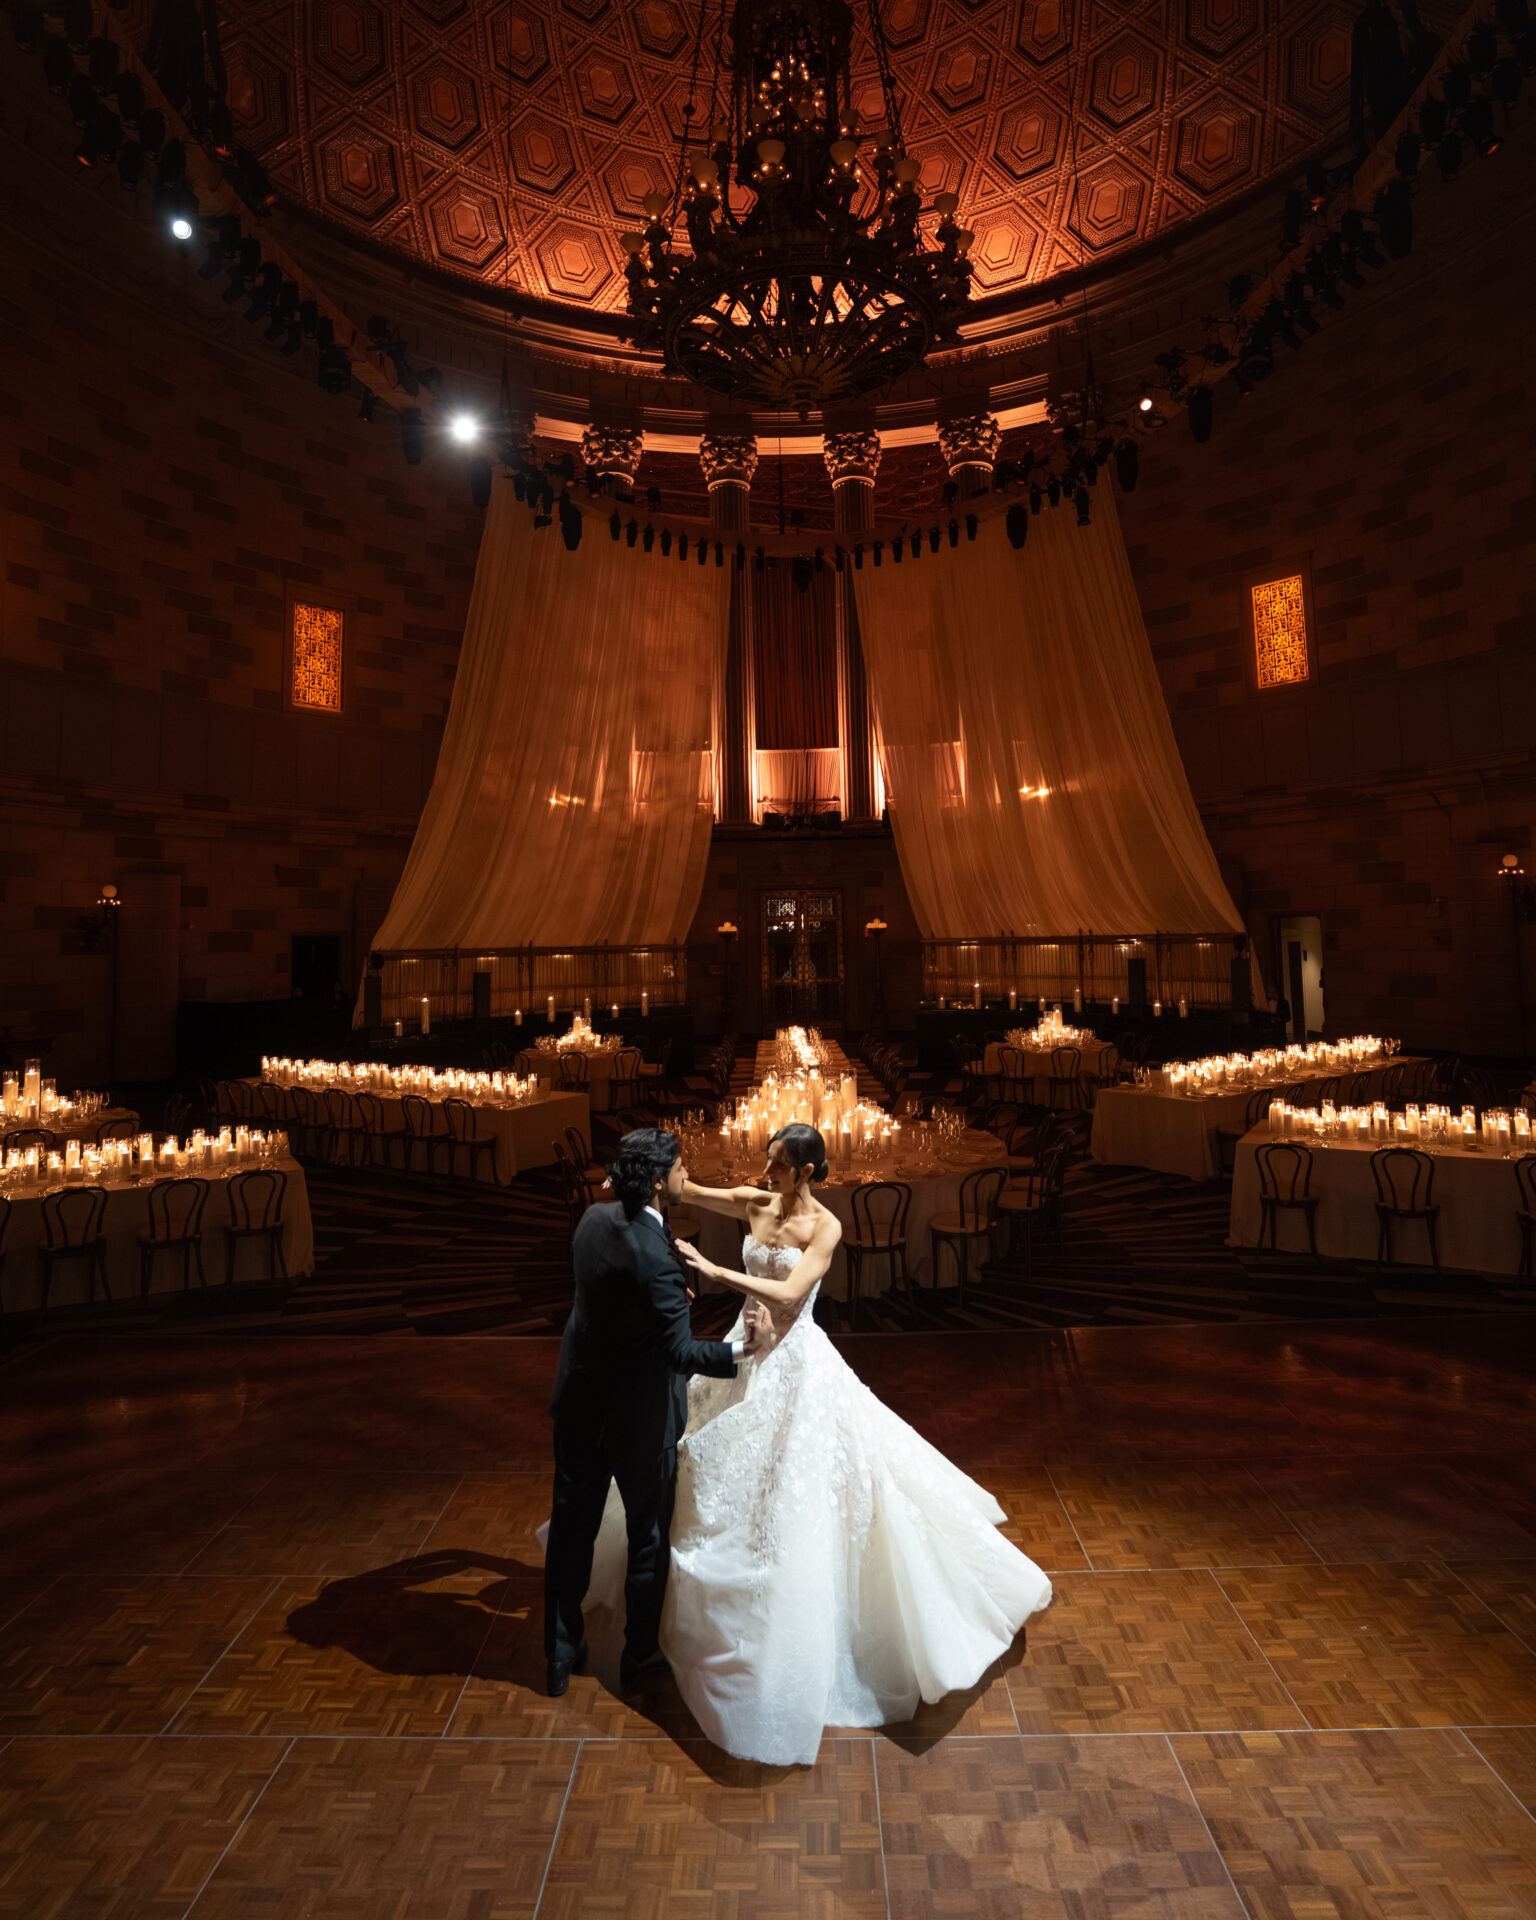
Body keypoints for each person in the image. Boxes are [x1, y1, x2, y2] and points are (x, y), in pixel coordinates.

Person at [578, 1121, 1054, 1765]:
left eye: (776, 1164)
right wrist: (649, 1187)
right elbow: (694, 1192)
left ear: (804, 1170)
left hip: (794, 1361)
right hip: (746, 1351)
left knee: (798, 1477)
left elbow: (791, 1292)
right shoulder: (754, 1201)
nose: (765, 1171)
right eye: (766, 1161)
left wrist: (715, 1269)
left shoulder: (825, 1227)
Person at [543, 1126, 771, 1697]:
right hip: (638, 1421)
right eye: (676, 1169)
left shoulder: (592, 1220)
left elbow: (606, 1295)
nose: (683, 1177)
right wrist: (746, 1350)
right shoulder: (657, 1260)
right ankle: (640, 1654)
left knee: (573, 1531)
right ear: (654, 1180)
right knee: (648, 1536)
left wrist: (661, 1303)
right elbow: (680, 1353)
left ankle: (558, 1654)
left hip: (578, 1403)